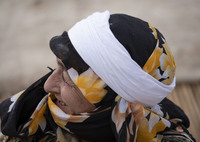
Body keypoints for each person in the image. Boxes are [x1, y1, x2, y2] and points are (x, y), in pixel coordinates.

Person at [0, 11, 196, 142]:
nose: (48, 85)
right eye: (57, 67)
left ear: (113, 100)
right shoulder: (24, 119)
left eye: (69, 81)